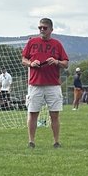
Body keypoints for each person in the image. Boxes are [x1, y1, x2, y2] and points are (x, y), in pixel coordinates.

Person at [21, 17, 69, 148]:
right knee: (33, 113)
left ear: (51, 30)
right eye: (40, 27)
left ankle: (56, 141)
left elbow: (66, 63)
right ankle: (31, 141)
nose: (42, 30)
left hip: (53, 84)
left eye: (45, 28)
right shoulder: (32, 42)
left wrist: (57, 62)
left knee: (54, 114)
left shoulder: (57, 44)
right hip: (35, 84)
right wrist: (31, 63)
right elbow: (23, 59)